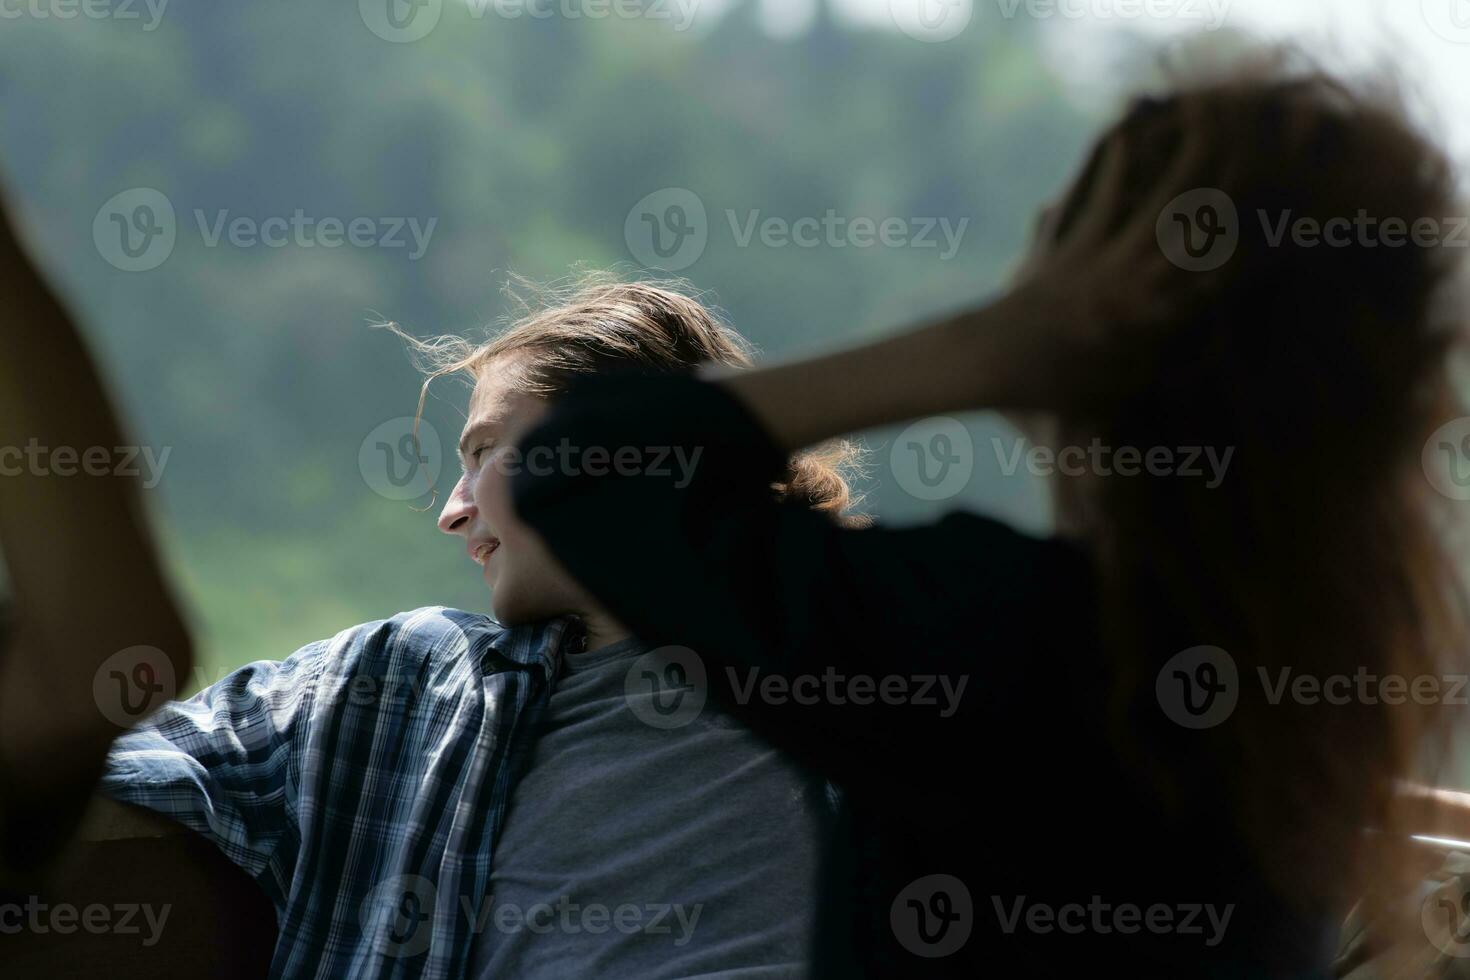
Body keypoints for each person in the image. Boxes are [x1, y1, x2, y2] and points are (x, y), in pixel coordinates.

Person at [501, 65, 1470, 976]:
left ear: (1101, 320)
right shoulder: (1298, 684)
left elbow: (582, 464)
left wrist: (989, 349)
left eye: (1048, 263)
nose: (1019, 282)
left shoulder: (1002, 638)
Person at [88, 277, 862, 977]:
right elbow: (116, 766)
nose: (453, 511)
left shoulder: (860, 669)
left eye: (487, 451)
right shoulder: (395, 685)